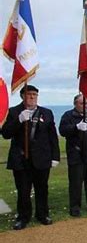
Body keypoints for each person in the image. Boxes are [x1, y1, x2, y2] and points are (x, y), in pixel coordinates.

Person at [1, 85, 60, 230]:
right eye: (29, 94)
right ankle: (23, 217)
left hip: (42, 158)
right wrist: (19, 120)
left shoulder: (46, 113)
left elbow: (52, 136)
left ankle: (42, 214)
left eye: (35, 94)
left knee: (42, 188)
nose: (32, 97)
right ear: (22, 96)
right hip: (21, 159)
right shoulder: (14, 112)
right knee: (23, 190)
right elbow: (6, 134)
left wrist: (55, 156)